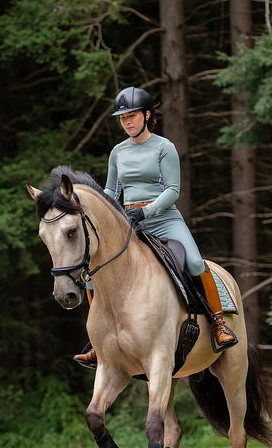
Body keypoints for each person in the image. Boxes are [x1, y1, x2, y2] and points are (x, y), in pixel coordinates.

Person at [74, 86, 237, 366]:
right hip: (128, 223)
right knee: (92, 275)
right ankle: (98, 342)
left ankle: (218, 322)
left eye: (132, 115)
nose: (126, 122)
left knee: (196, 263)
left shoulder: (164, 147)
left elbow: (173, 190)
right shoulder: (117, 152)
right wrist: (106, 213)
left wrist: (146, 211)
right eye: (122, 117)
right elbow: (111, 191)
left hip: (164, 220)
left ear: (148, 115)